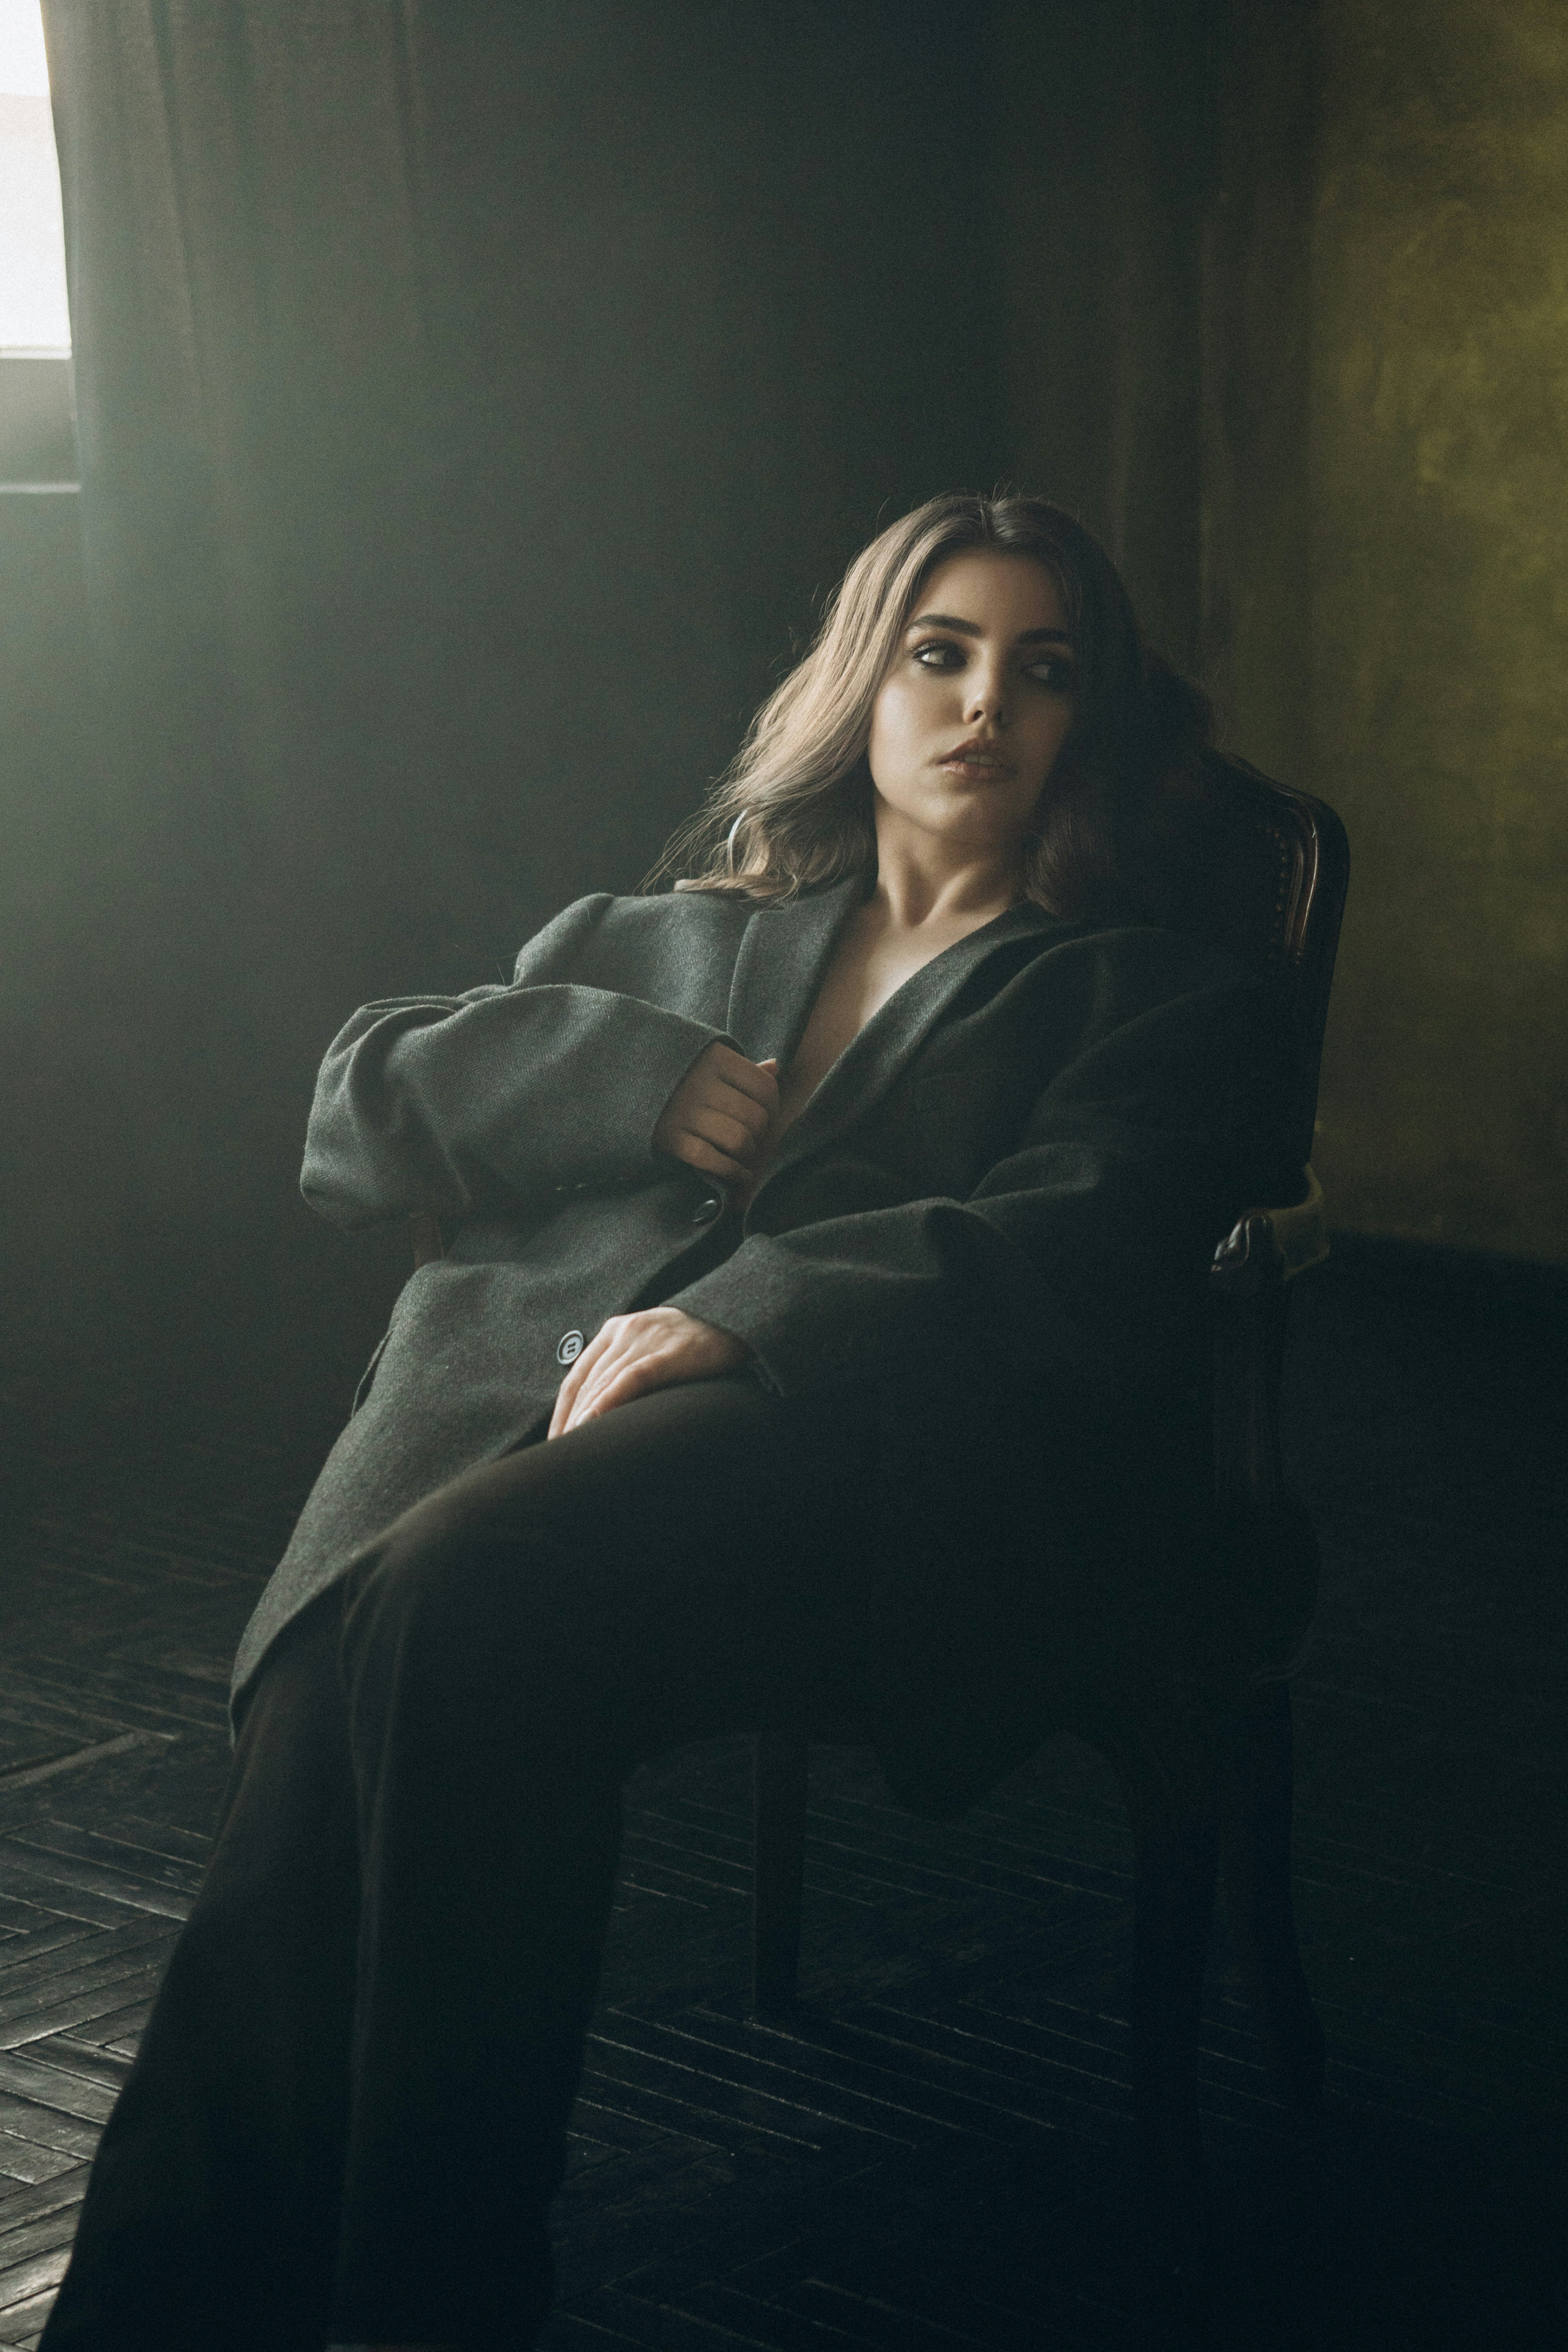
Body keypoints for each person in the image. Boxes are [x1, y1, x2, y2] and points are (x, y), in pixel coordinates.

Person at [40, 493, 1294, 2351]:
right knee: (358, 1672)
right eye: (936, 653)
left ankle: (379, 2301)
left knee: (443, 1606)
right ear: (859, 688)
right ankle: (257, 2309)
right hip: (513, 1466)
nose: (980, 707)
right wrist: (628, 1079)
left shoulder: (1149, 994)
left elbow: (1084, 1245)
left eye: (1043, 671)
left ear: (1090, 718)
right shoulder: (672, 941)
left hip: (865, 1485)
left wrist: (738, 1314)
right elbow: (354, 1105)